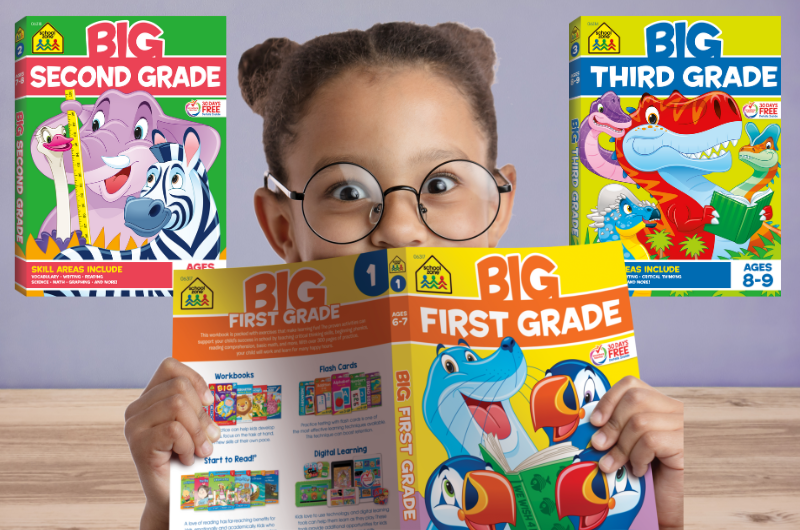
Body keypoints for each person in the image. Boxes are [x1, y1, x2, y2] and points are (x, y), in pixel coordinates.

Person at [124, 22, 684, 530]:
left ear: (499, 206)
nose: (398, 227)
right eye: (346, 192)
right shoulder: (222, 410)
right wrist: (165, 506)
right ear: (282, 228)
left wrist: (669, 507)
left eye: (440, 186)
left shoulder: (591, 401)